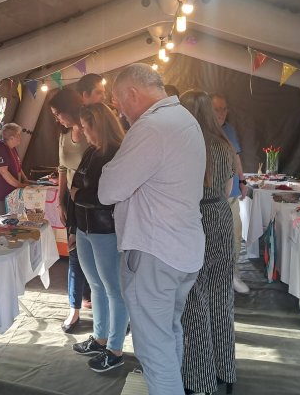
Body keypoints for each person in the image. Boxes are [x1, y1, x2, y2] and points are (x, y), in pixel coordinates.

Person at [98, 63, 206, 395]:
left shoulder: (151, 127)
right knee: (168, 334)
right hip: (181, 249)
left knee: (154, 349)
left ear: (132, 93)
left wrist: (111, 170)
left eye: (119, 102)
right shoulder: (184, 119)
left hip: (154, 251)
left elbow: (108, 190)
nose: (119, 111)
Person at [180, 90, 237, 395]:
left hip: (196, 219)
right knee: (221, 296)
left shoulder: (187, 144)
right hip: (221, 216)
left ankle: (199, 379)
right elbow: (227, 189)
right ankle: (225, 369)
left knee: (194, 298)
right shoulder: (224, 144)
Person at [69, 103, 129, 372]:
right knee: (96, 285)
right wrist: (74, 226)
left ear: (99, 126)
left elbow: (108, 195)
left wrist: (79, 196)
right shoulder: (92, 151)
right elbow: (76, 186)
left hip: (106, 229)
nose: (83, 132)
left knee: (114, 289)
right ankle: (100, 337)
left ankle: (115, 349)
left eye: (86, 127)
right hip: (85, 227)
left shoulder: (117, 152)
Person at [49, 88, 90, 332]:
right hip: (72, 201)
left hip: (93, 202)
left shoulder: (92, 132)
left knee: (94, 257)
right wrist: (60, 201)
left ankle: (100, 304)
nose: (57, 119)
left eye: (58, 113)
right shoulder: (64, 136)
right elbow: (62, 169)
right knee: (74, 255)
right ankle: (73, 309)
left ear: (69, 109)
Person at [211, 94, 250, 294]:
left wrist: (242, 181)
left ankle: (231, 272)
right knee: (215, 237)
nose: (221, 113)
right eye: (216, 109)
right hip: (210, 196)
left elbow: (236, 157)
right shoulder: (201, 131)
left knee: (235, 233)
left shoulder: (229, 129)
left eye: (224, 109)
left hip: (232, 193)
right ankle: (216, 275)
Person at [0, 122, 30, 215]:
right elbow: (3, 171)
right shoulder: (0, 149)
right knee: (4, 219)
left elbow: (18, 166)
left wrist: (26, 179)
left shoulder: (12, 148)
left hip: (12, 192)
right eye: (18, 135)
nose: (20, 137)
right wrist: (19, 185)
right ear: (11, 138)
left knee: (14, 218)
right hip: (2, 193)